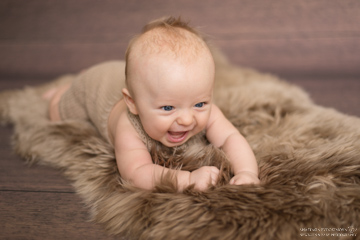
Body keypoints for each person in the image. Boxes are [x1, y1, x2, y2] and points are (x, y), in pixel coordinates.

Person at [44, 16, 260, 191]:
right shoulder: (128, 127)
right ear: (132, 103)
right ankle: (65, 88)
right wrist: (187, 179)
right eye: (168, 108)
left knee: (146, 78)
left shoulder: (203, 108)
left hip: (142, 83)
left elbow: (231, 138)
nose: (187, 119)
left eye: (199, 103)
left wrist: (247, 172)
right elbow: (137, 172)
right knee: (57, 112)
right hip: (94, 84)